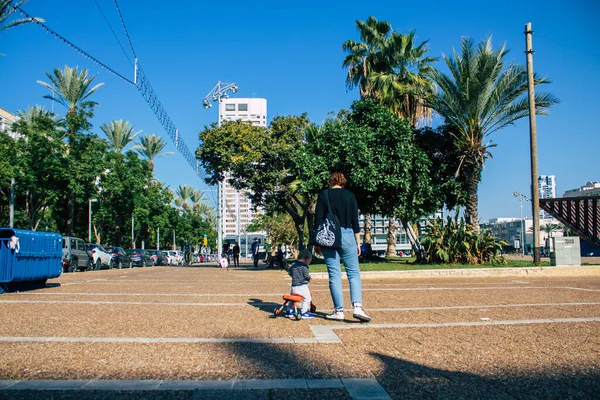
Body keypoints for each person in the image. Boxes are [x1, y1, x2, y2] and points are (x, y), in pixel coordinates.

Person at [314, 172, 371, 322]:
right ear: (343, 182)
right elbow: (355, 221)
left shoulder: (323, 195)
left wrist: (317, 242)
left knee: (334, 275)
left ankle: (339, 310)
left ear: (330, 181)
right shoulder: (350, 196)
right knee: (353, 273)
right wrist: (358, 242)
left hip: (329, 237)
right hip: (347, 234)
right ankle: (358, 307)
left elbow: (318, 219)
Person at [286, 249, 313, 319]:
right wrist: (309, 279)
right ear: (307, 259)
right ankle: (304, 312)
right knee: (307, 298)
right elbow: (306, 276)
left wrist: (295, 276)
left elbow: (290, 273)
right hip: (302, 286)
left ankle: (289, 311)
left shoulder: (293, 265)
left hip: (294, 286)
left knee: (292, 298)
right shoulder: (304, 267)